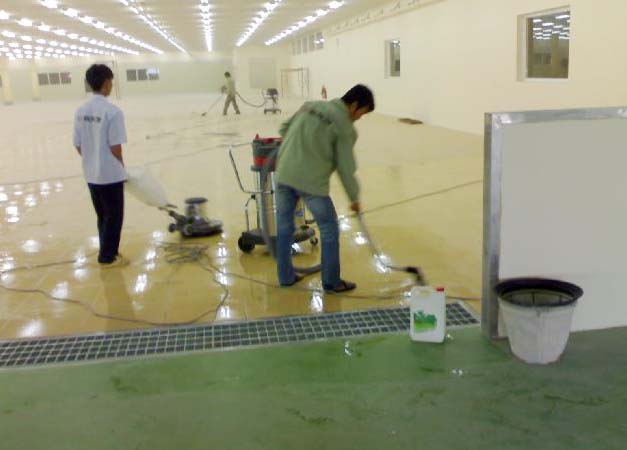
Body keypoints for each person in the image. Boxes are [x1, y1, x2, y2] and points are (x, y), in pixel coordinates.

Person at [275, 84, 375, 293]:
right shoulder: (345, 128)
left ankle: (285, 278)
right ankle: (331, 282)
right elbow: (345, 167)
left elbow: (284, 129)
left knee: (284, 228)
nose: (359, 118)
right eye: (362, 113)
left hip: (283, 174)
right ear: (354, 106)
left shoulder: (309, 105)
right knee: (329, 229)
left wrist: (299, 147)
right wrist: (354, 198)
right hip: (310, 184)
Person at [74, 64, 128, 267]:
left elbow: (78, 144)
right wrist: (121, 167)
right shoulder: (112, 112)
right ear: (106, 84)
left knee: (103, 215)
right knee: (114, 216)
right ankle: (107, 257)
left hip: (91, 175)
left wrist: (91, 159)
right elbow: (115, 147)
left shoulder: (81, 111)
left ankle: (108, 249)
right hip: (110, 175)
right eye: (111, 82)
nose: (111, 85)